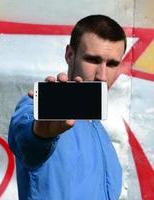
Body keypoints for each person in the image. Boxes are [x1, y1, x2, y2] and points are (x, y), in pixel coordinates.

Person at [8, 15, 126, 200]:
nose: (102, 76)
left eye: (112, 64)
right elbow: (27, 141)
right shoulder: (38, 108)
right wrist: (40, 135)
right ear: (70, 55)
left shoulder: (99, 131)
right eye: (93, 60)